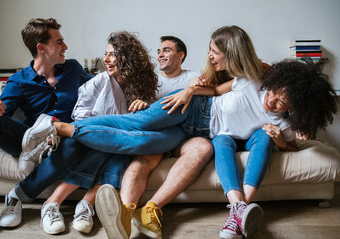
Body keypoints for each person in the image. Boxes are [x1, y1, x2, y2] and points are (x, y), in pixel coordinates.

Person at [21, 27, 337, 239]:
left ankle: (137, 213)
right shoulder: (252, 80)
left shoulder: (280, 119)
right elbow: (212, 89)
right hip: (189, 110)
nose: (275, 100)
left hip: (193, 133)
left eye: (284, 102)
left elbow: (295, 142)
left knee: (140, 141)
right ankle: (58, 126)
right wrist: (188, 93)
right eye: (278, 92)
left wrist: (283, 139)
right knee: (136, 126)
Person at [37, 31, 158, 235]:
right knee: (107, 148)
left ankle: (85, 206)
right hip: (93, 137)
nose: (106, 59)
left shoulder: (139, 87)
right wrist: (106, 130)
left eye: (112, 55)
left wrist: (146, 106)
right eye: (106, 54)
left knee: (121, 155)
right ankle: (51, 204)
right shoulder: (100, 81)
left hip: (120, 144)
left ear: (127, 59)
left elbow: (145, 122)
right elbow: (80, 116)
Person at [0, 18, 92, 235]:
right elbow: (2, 114)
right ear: (41, 48)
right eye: (59, 42)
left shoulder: (73, 69)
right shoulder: (18, 81)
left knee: (77, 141)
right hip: (31, 141)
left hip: (65, 139)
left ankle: (16, 196)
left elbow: (99, 86)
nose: (65, 47)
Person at [96, 35, 215, 239]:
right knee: (142, 159)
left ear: (181, 55)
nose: (160, 54)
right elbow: (142, 112)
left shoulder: (193, 77)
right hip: (160, 136)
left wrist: (191, 89)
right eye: (159, 51)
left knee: (203, 148)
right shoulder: (151, 81)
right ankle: (124, 215)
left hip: (186, 135)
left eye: (167, 50)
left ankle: (151, 209)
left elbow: (213, 93)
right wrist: (142, 103)